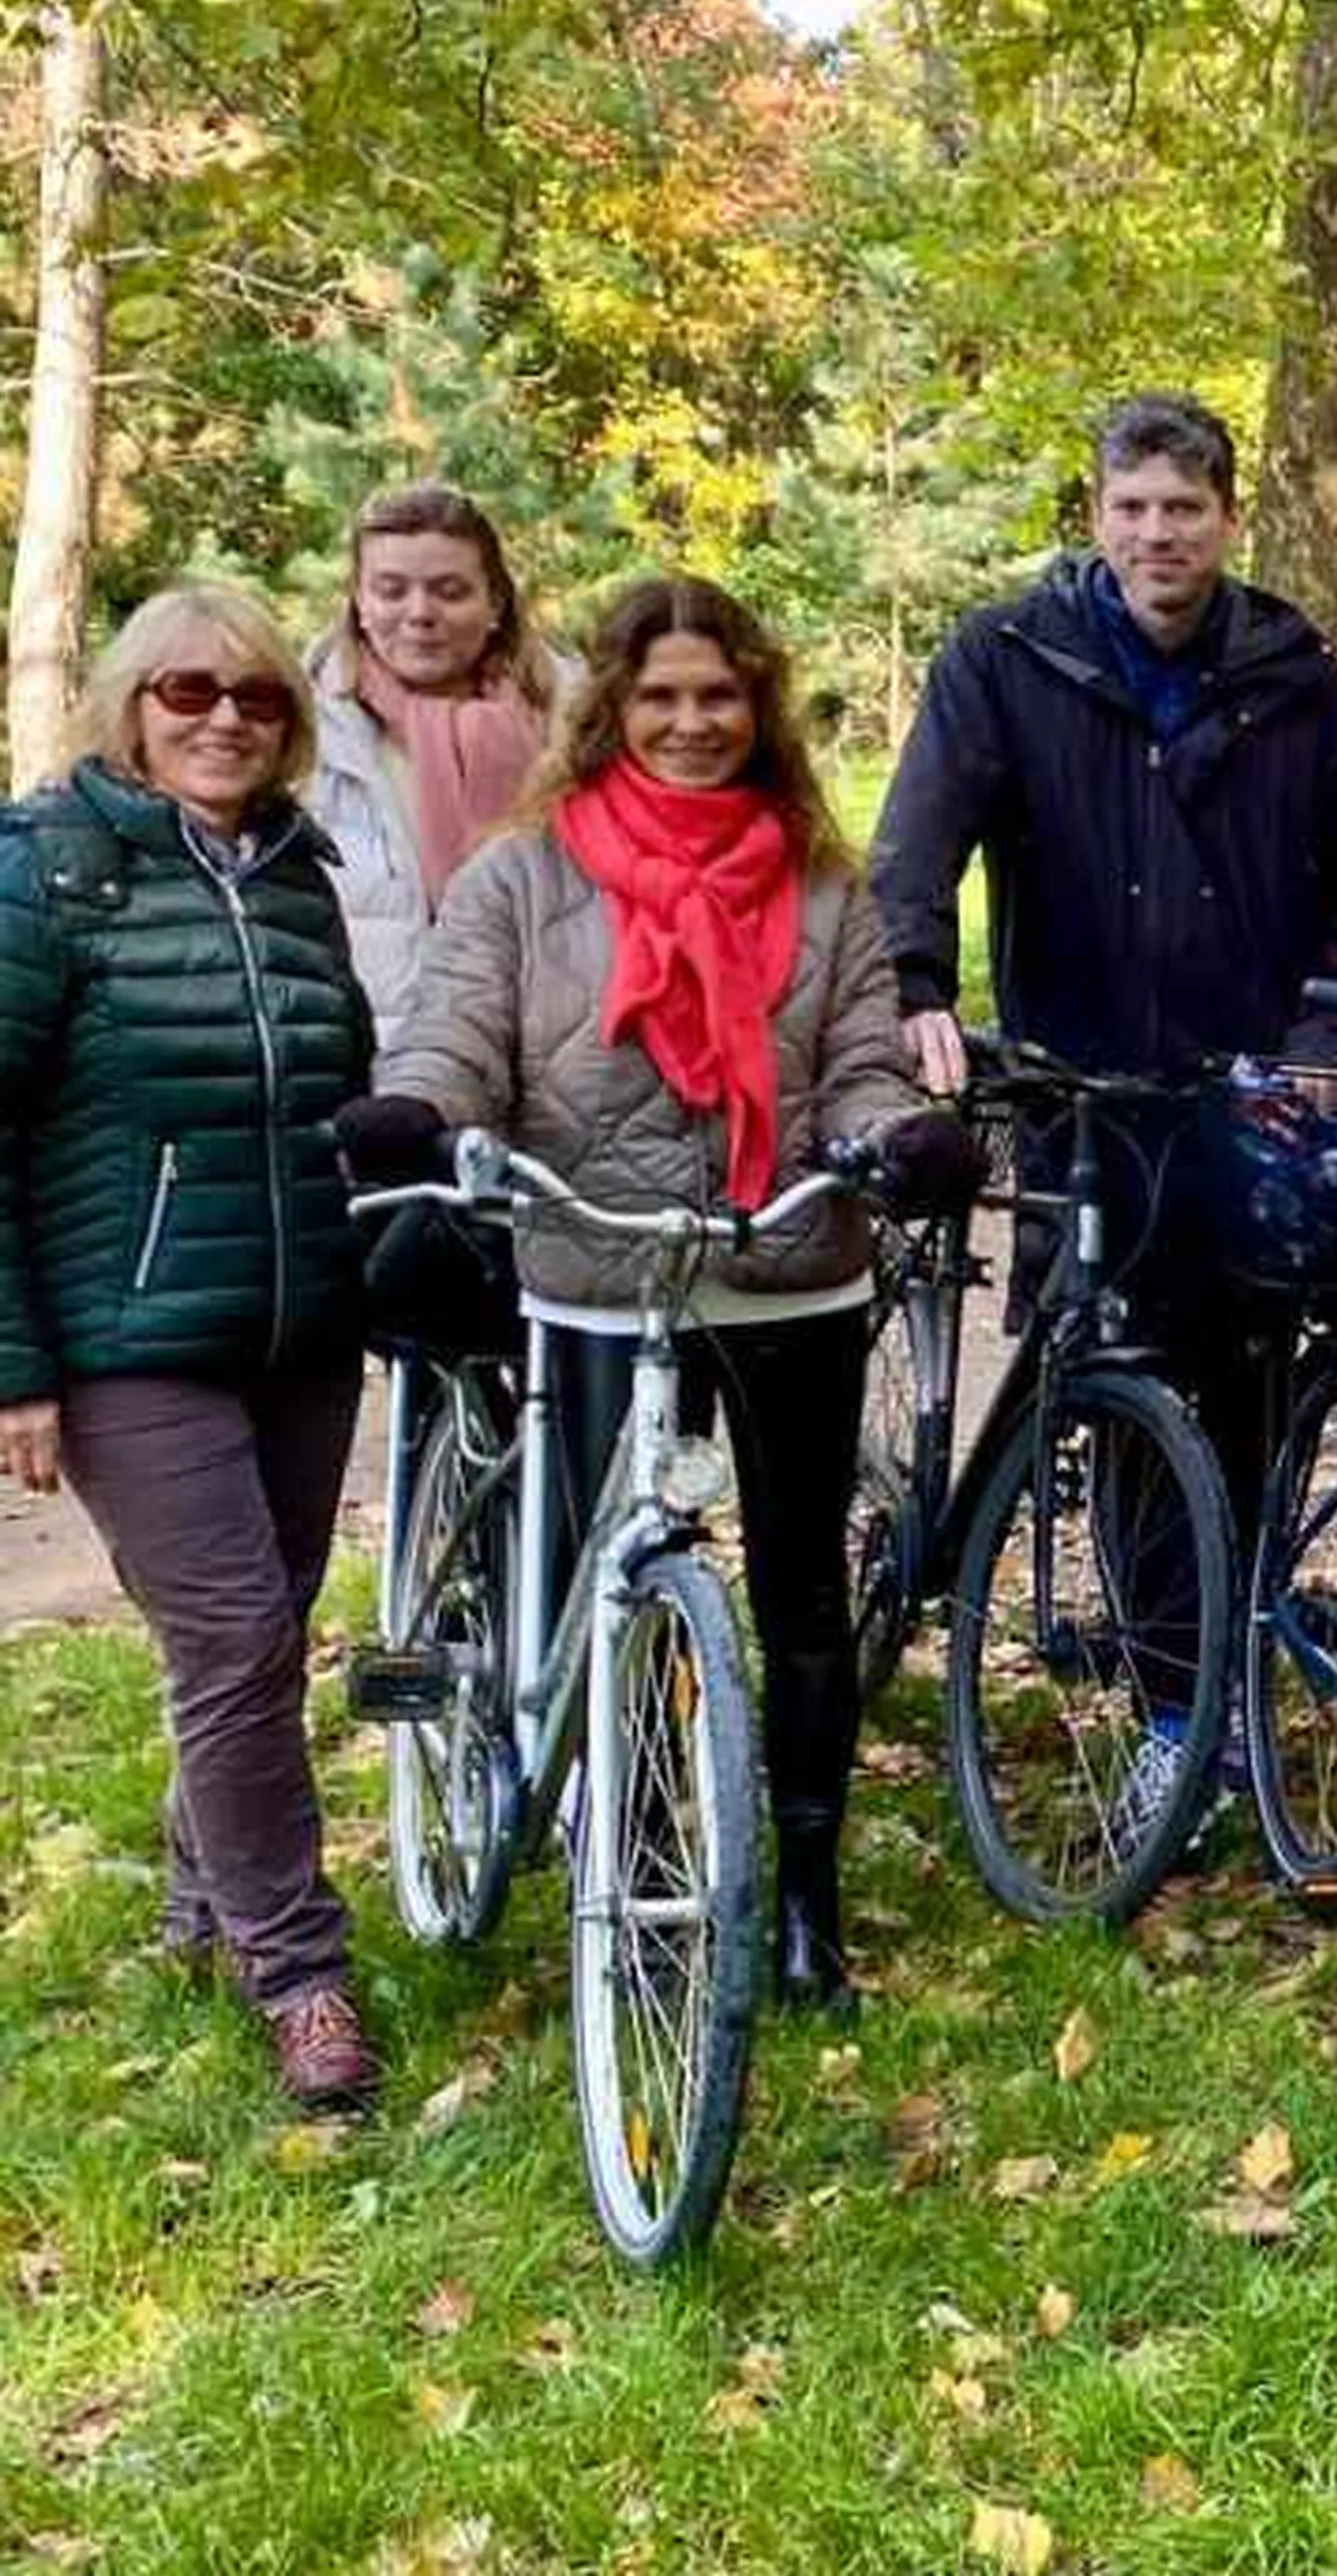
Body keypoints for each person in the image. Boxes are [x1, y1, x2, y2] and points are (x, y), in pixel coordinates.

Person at [352, 576, 972, 2014]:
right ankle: (625, 1862)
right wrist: (417, 1114)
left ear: (757, 709)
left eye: (719, 696)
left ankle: (808, 1899)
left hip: (787, 1274)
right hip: (600, 1274)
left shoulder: (824, 886)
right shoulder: (522, 880)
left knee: (805, 1598)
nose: (692, 723)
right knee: (595, 1576)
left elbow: (862, 1062)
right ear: (610, 712)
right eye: (661, 698)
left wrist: (893, 1138)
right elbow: (456, 1038)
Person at [868, 391, 1337, 1821]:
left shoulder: (1299, 678)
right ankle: (1176, 1708)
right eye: (1132, 509)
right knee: (1123, 1392)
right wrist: (919, 983)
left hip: (1252, 1090)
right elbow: (918, 836)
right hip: (1083, 1086)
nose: (1158, 534)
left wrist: (1324, 1031)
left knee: (1244, 1390)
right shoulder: (1005, 658)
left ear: (1228, 517)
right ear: (1097, 518)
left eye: (1184, 509)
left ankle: (1214, 1675)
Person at [0, 587, 378, 2108]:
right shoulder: (48, 869)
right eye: (187, 691)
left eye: (259, 699)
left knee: (260, 1639)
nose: (224, 718)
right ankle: (299, 1973)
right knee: (229, 1641)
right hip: (130, 1334)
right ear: (129, 705)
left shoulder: (299, 874)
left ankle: (198, 1896)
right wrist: (15, 1364)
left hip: (301, 1328)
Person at [303, 482, 555, 1050]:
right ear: (359, 603)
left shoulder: (573, 725)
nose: (420, 614)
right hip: (369, 1072)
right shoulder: (299, 735)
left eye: (450, 591)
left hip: (541, 1067)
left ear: (495, 604)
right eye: (391, 591)